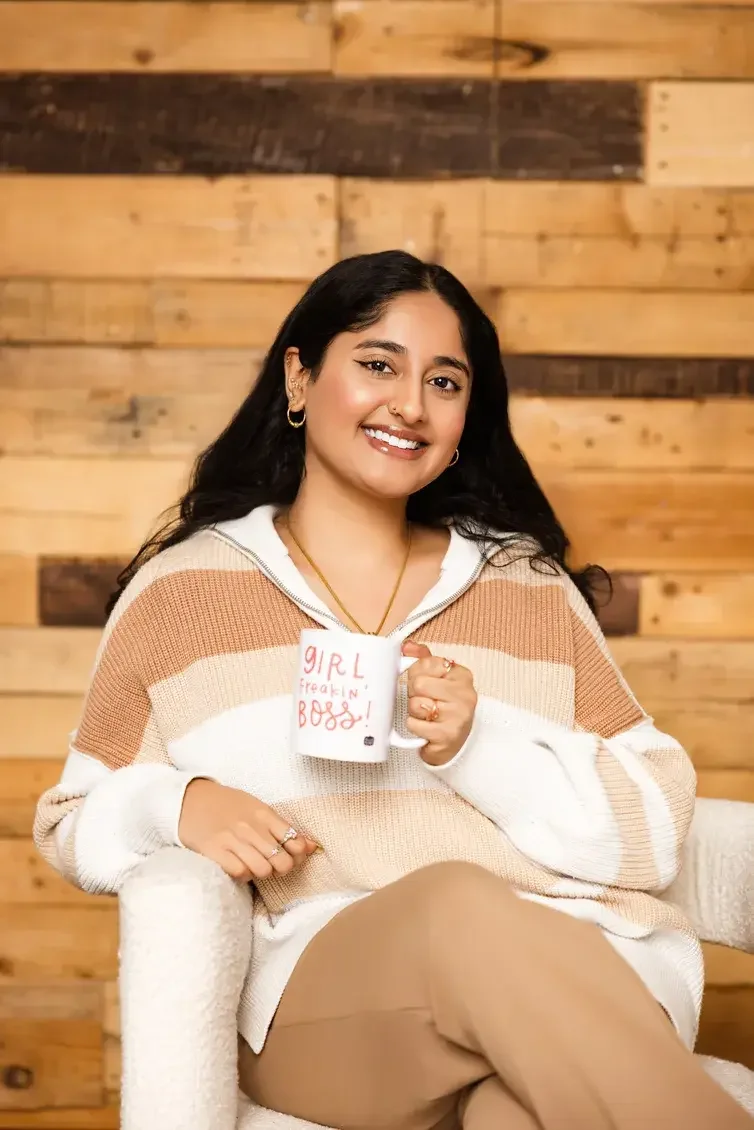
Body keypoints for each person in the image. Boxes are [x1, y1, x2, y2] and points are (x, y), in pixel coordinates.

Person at [34, 251, 749, 1129]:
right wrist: (179, 804)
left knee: (512, 1117)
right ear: (299, 378)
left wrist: (481, 746)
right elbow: (72, 815)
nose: (410, 404)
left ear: (464, 418)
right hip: (331, 1010)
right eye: (378, 364)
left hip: (584, 972)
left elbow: (654, 824)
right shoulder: (183, 594)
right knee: (455, 905)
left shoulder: (524, 586)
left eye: (444, 382)